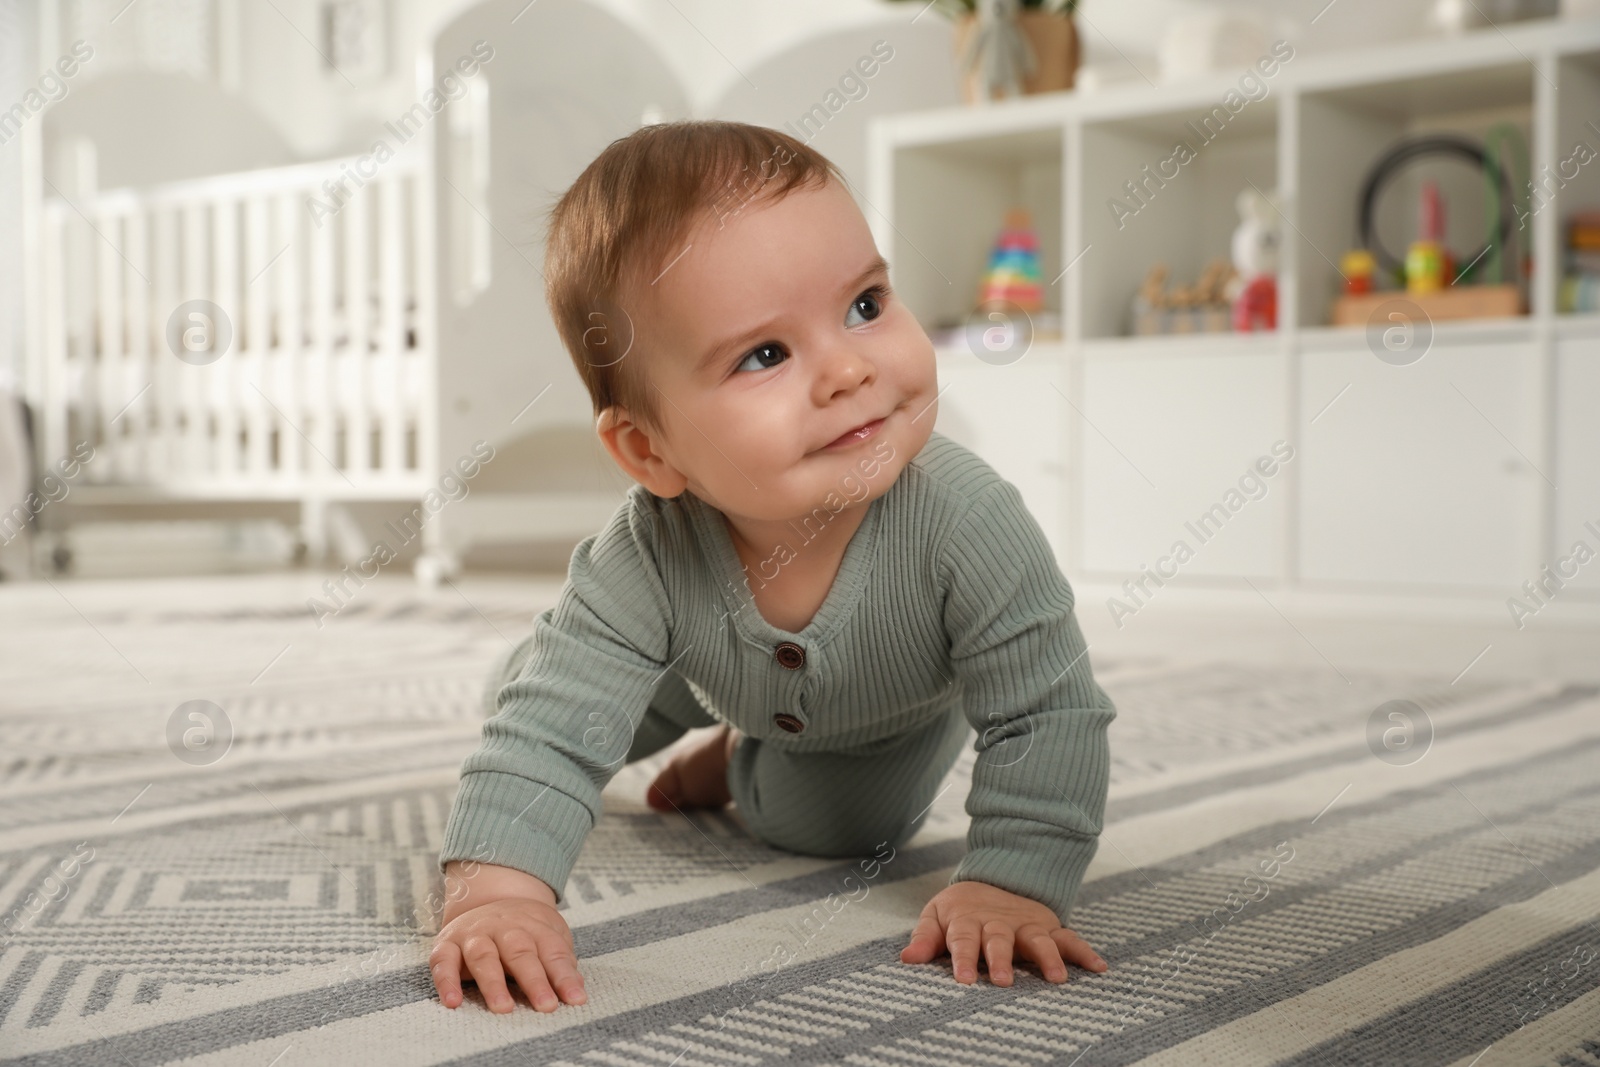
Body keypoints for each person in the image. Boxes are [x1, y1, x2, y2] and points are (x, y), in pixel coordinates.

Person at [429, 120, 1115, 1015]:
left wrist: (1014, 881)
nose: (845, 369)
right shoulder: (648, 549)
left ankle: (734, 758)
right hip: (695, 660)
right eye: (765, 354)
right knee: (533, 702)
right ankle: (652, 705)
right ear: (650, 451)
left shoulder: (968, 521)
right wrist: (497, 896)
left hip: (884, 711)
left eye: (865, 304)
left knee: (822, 827)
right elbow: (549, 737)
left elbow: (1046, 710)